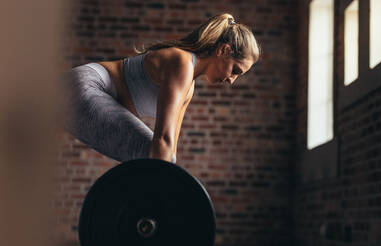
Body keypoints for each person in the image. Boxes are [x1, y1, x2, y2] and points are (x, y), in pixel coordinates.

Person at [60, 13, 261, 164]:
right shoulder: (183, 63)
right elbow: (162, 139)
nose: (232, 80)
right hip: (83, 86)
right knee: (153, 155)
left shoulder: (188, 87)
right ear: (223, 50)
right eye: (235, 70)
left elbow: (170, 145)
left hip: (81, 91)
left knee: (165, 160)